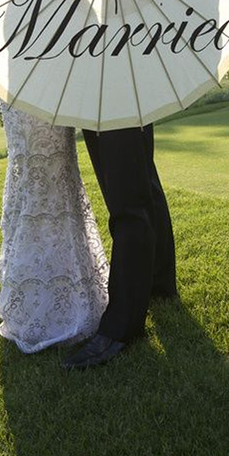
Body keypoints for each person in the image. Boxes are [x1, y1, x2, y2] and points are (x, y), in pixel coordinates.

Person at [0, 100, 109, 353]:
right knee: (29, 174)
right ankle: (36, 305)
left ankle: (71, 297)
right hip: (19, 87)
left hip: (52, 87)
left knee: (58, 172)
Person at [63, 125, 176, 370]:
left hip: (112, 94)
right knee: (143, 180)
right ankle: (159, 284)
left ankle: (121, 326)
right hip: (107, 94)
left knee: (127, 202)